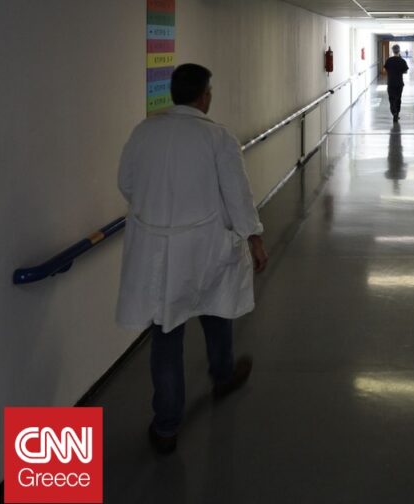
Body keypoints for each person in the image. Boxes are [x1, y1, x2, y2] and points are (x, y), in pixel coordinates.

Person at [117, 63, 269, 454]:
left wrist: (159, 214)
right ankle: (222, 375)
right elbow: (237, 194)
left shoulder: (144, 131)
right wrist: (254, 238)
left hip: (157, 252)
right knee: (216, 310)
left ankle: (166, 426)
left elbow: (127, 183)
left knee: (166, 331)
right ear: (204, 96)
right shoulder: (217, 137)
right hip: (205, 246)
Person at [383, 44, 409, 122]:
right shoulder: (402, 61)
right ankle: (397, 114)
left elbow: (385, 69)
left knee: (391, 99)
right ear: (399, 51)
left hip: (391, 83)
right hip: (399, 83)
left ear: (393, 51)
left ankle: (394, 112)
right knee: (398, 99)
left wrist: (391, 71)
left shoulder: (389, 60)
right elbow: (406, 71)